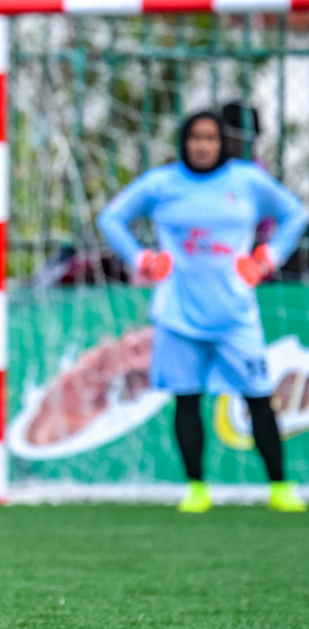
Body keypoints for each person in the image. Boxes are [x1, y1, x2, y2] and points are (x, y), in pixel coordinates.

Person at [98, 109, 308, 513]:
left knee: (259, 397)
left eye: (211, 138)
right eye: (195, 137)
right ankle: (197, 488)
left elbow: (296, 213)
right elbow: (111, 218)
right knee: (187, 398)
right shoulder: (162, 183)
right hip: (178, 313)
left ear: (223, 143)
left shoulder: (247, 180)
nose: (202, 145)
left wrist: (267, 259)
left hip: (234, 313)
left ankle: (279, 487)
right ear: (183, 142)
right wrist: (141, 259)